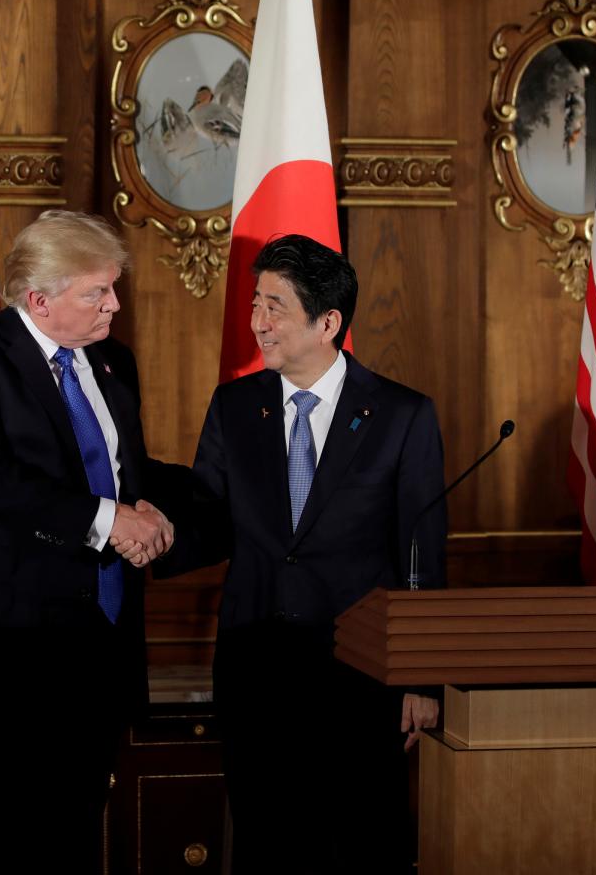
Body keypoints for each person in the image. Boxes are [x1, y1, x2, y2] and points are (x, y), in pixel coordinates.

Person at [0, 209, 184, 873]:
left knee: (74, 831)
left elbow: (126, 473)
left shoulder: (112, 362)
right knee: (5, 839)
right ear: (39, 299)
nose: (115, 305)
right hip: (13, 645)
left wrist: (156, 514)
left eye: (113, 288)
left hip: (103, 637)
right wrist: (108, 520)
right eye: (98, 292)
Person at [189, 234, 447, 873]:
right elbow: (205, 518)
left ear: (328, 322)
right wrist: (130, 523)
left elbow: (422, 553)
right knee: (267, 845)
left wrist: (420, 677)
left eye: (274, 306)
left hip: (359, 670)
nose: (257, 322)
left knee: (365, 843)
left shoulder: (401, 415)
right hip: (256, 666)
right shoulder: (233, 406)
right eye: (256, 303)